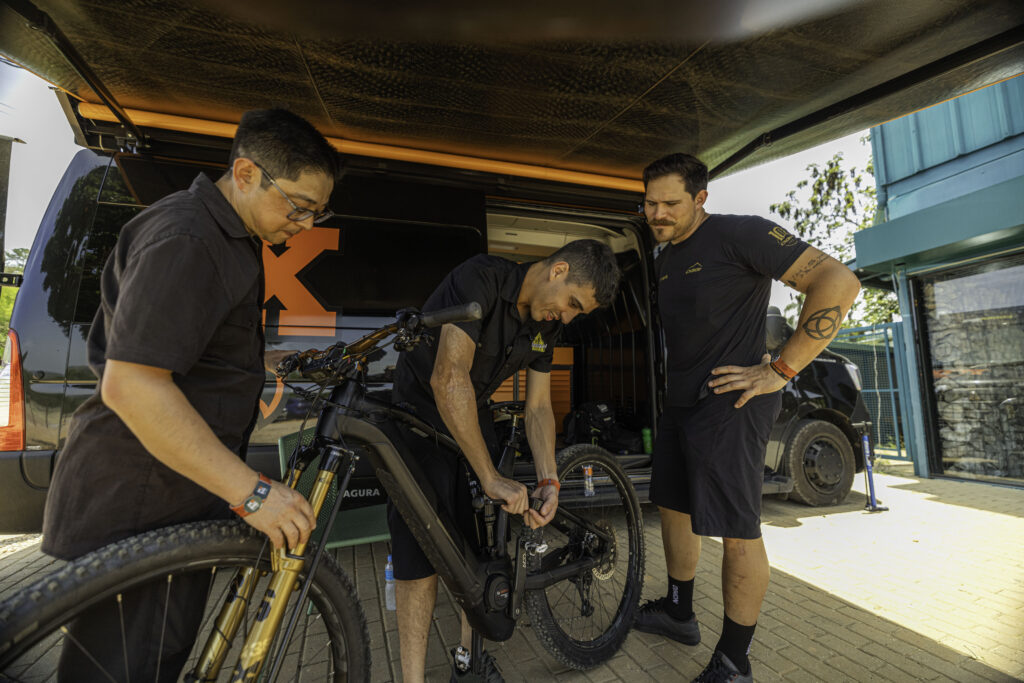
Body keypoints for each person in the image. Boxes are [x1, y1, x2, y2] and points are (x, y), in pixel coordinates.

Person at [40, 108, 341, 682]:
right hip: (142, 503)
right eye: (297, 206)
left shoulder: (227, 234)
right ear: (246, 172)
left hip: (174, 500)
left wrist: (260, 362)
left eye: (316, 212)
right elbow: (133, 383)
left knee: (155, 660)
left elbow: (184, 351)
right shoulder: (190, 237)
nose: (304, 224)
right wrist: (253, 494)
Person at [633, 153, 861, 683]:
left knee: (737, 530)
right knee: (671, 505)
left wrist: (780, 369)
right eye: (650, 202)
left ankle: (735, 661)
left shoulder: (744, 234)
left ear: (701, 198)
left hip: (732, 405)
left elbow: (838, 281)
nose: (658, 213)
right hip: (683, 402)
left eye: (670, 202)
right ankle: (678, 611)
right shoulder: (666, 254)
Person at [388, 239, 621, 683]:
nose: (568, 317)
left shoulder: (546, 327)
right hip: (417, 415)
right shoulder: (481, 278)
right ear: (558, 270)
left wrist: (550, 479)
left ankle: (468, 661)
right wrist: (490, 476)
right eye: (571, 303)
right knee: (420, 554)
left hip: (472, 415)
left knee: (478, 553)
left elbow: (537, 408)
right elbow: (447, 376)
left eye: (579, 313)